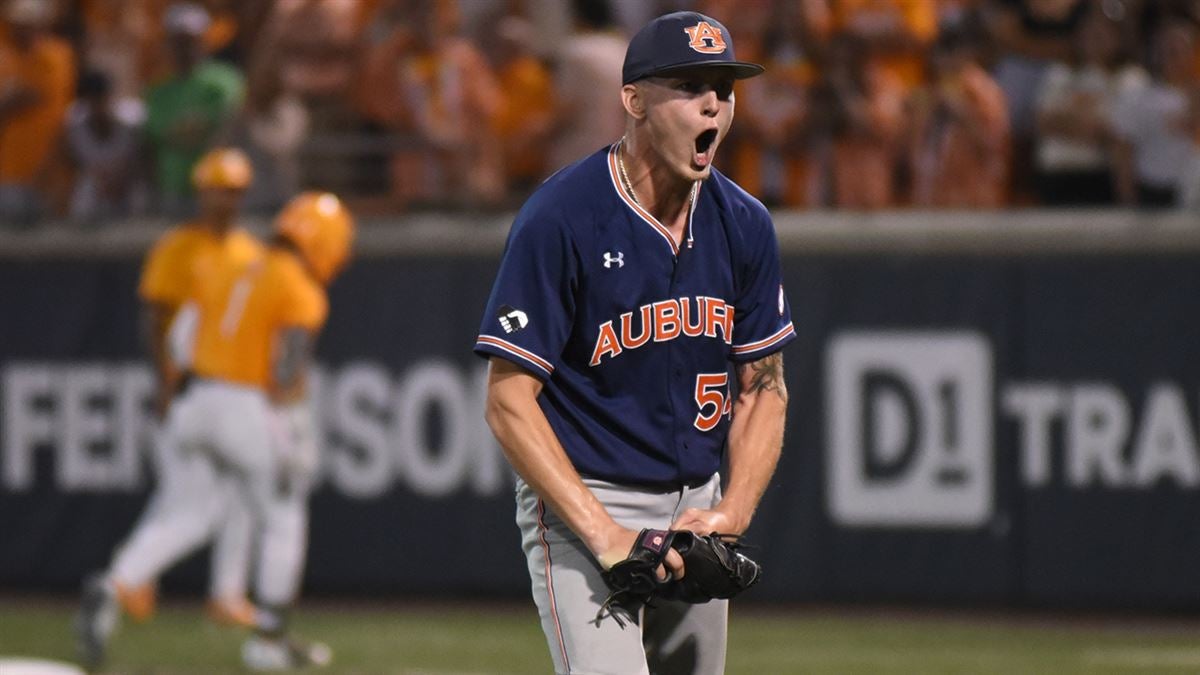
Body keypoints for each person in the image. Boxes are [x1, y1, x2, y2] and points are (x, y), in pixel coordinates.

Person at [476, 11, 794, 675]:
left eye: (724, 88)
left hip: (697, 501)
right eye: (689, 85)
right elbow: (508, 399)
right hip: (584, 500)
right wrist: (604, 531)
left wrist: (731, 511)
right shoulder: (563, 216)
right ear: (634, 100)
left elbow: (764, 386)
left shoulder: (744, 224)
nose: (713, 102)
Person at [130, 147, 261, 630]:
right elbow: (155, 315)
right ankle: (131, 577)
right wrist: (162, 377)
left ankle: (225, 593)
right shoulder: (178, 247)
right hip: (186, 383)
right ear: (201, 191)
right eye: (220, 190)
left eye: (236, 192)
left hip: (232, 385)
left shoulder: (250, 251)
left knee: (235, 495)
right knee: (184, 494)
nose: (228, 201)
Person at [143, 2, 244, 215]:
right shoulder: (158, 92)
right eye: (178, 41)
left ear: (204, 41)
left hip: (216, 191)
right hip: (173, 190)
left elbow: (228, 127)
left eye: (190, 41)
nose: (184, 48)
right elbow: (161, 136)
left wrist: (188, 130)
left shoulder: (225, 81)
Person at [0, 0, 76, 225]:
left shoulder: (56, 56)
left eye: (28, 23)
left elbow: (31, 95)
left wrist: (10, 99)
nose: (21, 29)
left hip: (49, 170)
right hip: (9, 170)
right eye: (17, 23)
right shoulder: (6, 57)